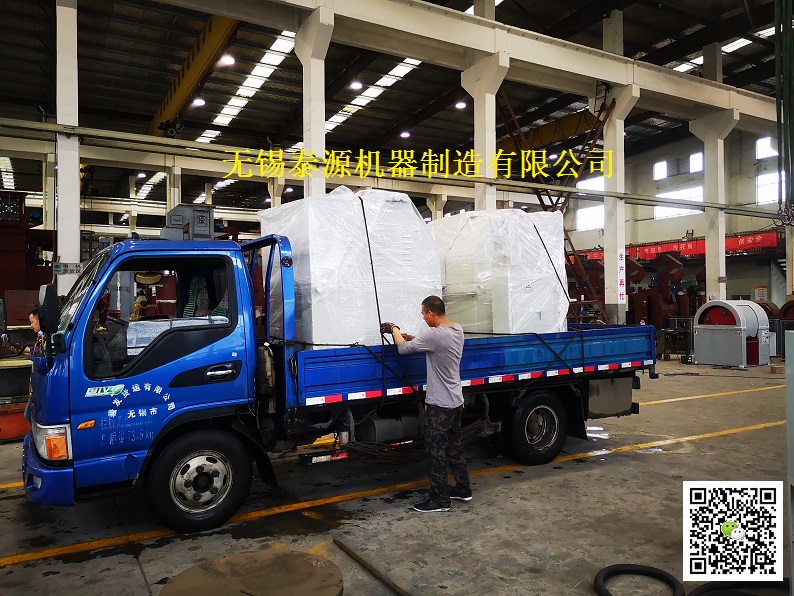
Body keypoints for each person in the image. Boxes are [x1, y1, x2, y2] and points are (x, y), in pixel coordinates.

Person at [385, 295, 472, 513]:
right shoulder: (457, 329)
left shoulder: (435, 335)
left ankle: (440, 500)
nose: (423, 318)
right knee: (454, 447)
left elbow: (403, 349)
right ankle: (463, 488)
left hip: (440, 405)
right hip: (456, 402)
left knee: (435, 452)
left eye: (423, 314)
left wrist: (394, 329)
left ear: (431, 313)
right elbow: (431, 343)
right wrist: (411, 337)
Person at [10, 307, 44, 424]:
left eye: (32, 322)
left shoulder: (46, 339)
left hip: (41, 385)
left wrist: (22, 349)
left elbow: (37, 354)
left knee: (28, 415)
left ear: (40, 321)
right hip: (36, 384)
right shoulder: (40, 338)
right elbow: (34, 355)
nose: (31, 325)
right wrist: (20, 351)